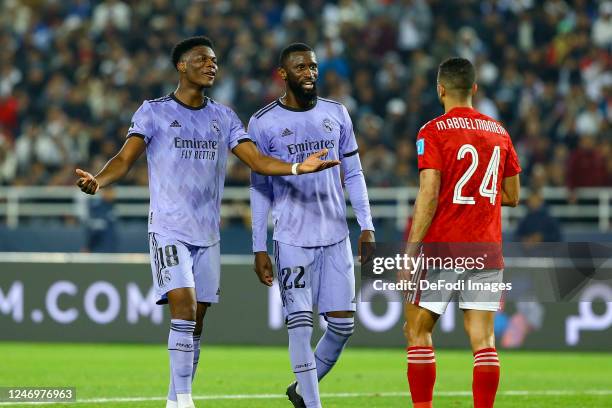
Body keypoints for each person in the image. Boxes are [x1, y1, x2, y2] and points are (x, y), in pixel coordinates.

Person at [75, 36, 339, 408]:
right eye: (201, 59)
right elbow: (124, 159)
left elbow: (259, 162)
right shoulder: (153, 111)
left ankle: (173, 398)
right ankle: (184, 400)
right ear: (182, 66)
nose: (211, 65)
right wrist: (98, 180)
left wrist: (298, 166)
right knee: (182, 307)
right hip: (168, 228)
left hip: (207, 235)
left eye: (214, 60)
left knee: (196, 323)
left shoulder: (223, 117)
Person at [249, 43, 375, 408]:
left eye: (313, 66)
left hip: (335, 235)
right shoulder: (263, 122)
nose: (310, 73)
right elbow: (259, 186)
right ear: (283, 74)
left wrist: (366, 225)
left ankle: (302, 391)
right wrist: (259, 245)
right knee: (301, 326)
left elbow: (353, 173)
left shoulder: (336, 113)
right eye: (300, 67)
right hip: (292, 238)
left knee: (342, 327)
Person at [403, 57, 521, 408]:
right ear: (474, 89)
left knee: (417, 331)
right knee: (483, 340)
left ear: (440, 89)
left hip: (443, 246)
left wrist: (410, 251)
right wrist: (473, 198)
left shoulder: (432, 130)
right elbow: (513, 195)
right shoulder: (499, 132)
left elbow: (428, 190)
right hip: (486, 248)